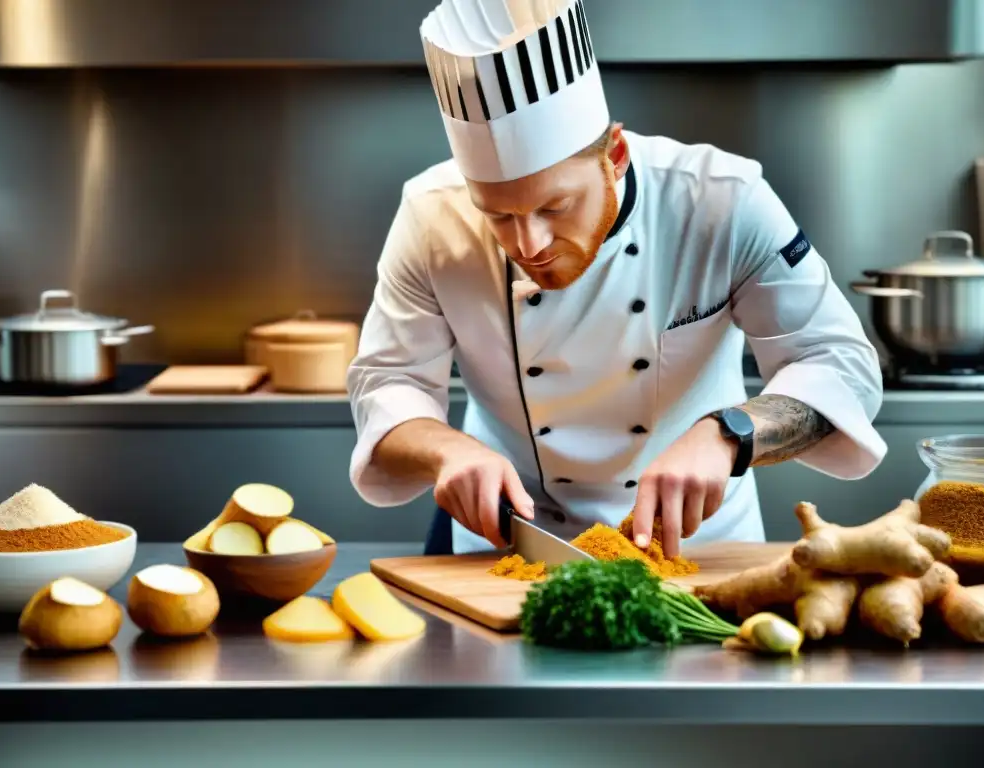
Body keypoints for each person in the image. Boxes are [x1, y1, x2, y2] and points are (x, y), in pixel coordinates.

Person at [347, 0, 887, 558]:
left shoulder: (723, 202)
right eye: (499, 216)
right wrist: (447, 453)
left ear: (617, 156)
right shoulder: (431, 215)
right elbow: (389, 382)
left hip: (697, 550)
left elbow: (840, 365)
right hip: (507, 547)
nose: (528, 244)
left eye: (555, 206)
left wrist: (731, 434)